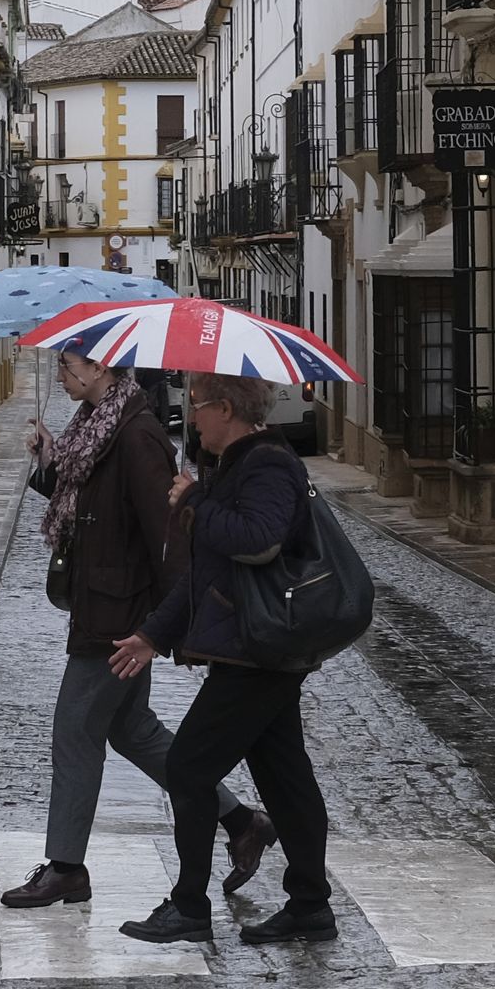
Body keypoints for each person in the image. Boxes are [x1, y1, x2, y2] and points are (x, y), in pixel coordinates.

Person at [0, 348, 277, 909]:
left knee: (75, 730)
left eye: (68, 364)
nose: (60, 374)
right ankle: (242, 821)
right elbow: (94, 505)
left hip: (118, 618)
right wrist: (50, 463)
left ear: (100, 368)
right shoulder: (95, 428)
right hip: (101, 604)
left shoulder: (137, 434)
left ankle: (66, 866)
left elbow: (170, 536)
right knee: (132, 731)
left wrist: (158, 630)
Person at [109, 373, 336, 947]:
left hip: (259, 653)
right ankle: (310, 906)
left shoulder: (268, 465)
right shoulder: (235, 466)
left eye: (198, 406)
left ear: (227, 408)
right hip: (253, 648)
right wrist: (151, 637)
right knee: (286, 778)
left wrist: (194, 502)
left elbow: (258, 541)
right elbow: (207, 578)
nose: (192, 417)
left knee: (188, 768)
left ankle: (189, 906)